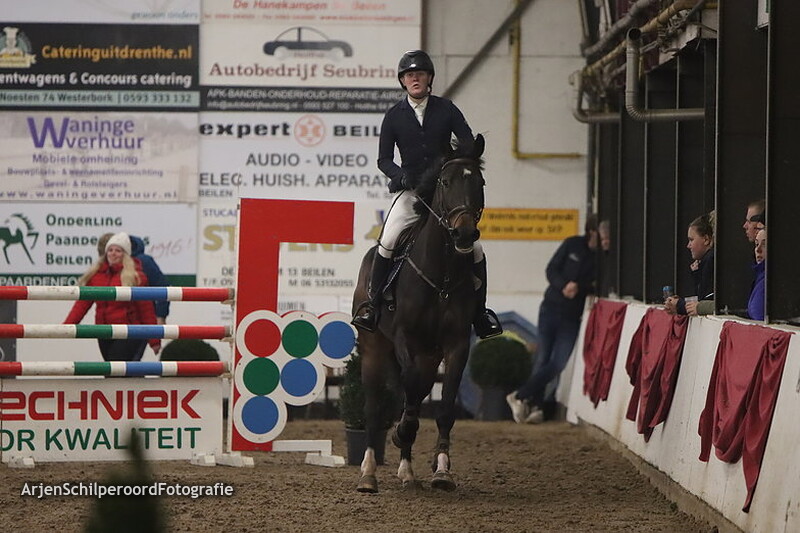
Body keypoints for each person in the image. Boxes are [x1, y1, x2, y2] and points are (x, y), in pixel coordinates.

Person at [351, 49, 502, 339]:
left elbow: (466, 142)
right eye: (410, 75)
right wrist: (400, 176)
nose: (415, 79)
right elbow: (383, 160)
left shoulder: (447, 109)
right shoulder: (394, 116)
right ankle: (372, 306)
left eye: (419, 74)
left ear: (429, 78)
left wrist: (461, 159)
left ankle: (480, 314)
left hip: (444, 193)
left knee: (476, 249)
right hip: (411, 192)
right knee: (389, 239)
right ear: (403, 81)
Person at [506, 215, 599, 424]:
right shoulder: (572, 244)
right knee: (543, 358)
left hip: (572, 316)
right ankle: (537, 406)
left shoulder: (602, 258)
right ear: (592, 231)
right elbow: (551, 269)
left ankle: (520, 395)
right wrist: (563, 285)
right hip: (551, 308)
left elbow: (597, 284)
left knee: (558, 363)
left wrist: (579, 288)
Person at [65, 232, 161, 361]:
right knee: (112, 368)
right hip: (104, 332)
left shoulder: (135, 276)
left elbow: (146, 309)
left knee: (116, 367)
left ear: (125, 254)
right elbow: (82, 304)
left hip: (128, 332)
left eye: (118, 250)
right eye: (110, 250)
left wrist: (154, 339)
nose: (113, 253)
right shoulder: (96, 275)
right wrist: (68, 326)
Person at [97, 233, 170, 324]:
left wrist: (160, 316)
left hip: (132, 325)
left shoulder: (143, 264)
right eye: (110, 251)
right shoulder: (103, 272)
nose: (112, 256)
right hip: (114, 326)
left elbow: (160, 290)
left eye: (117, 250)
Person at [664, 212, 715, 316]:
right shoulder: (705, 262)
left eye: (691, 240)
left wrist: (680, 305)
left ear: (706, 239)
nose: (688, 245)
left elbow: (706, 301)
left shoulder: (710, 260)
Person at [747, 227, 766, 320]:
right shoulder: (759, 278)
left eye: (764, 244)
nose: (758, 249)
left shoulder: (768, 280)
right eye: (757, 244)